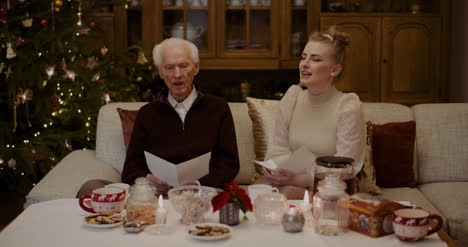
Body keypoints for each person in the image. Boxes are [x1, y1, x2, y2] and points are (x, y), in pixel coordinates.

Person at [77, 38, 239, 197]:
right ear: (161, 72)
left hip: (204, 194)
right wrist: (148, 181)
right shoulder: (147, 114)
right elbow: (131, 170)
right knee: (90, 188)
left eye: (184, 66)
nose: (177, 74)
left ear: (196, 68)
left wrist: (198, 184)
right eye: (169, 67)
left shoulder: (218, 108)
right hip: (158, 197)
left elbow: (230, 165)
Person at [255, 26, 365, 199]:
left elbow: (345, 167)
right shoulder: (292, 98)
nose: (304, 64)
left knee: (286, 195)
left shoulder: (348, 105)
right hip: (288, 181)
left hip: (328, 188)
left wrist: (300, 179)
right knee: (254, 192)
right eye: (303, 57)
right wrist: (279, 171)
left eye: (315, 59)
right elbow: (278, 149)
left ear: (335, 70)